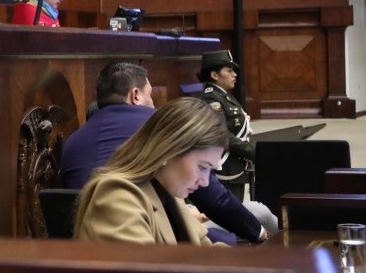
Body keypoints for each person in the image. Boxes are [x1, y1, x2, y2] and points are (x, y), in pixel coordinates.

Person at [61, 63, 272, 244]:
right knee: (260, 213)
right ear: (167, 148)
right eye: (202, 167)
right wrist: (259, 236)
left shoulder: (74, 138)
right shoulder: (159, 125)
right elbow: (215, 200)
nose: (154, 103)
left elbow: (200, 243)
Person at [74, 97, 229, 245]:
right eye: (202, 167)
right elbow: (143, 270)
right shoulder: (117, 196)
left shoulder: (168, 190)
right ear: (169, 150)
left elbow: (204, 251)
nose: (205, 181)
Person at [196, 50, 254, 200]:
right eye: (229, 71)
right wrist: (254, 152)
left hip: (235, 166)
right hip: (225, 169)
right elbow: (222, 135)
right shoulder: (211, 99)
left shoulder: (224, 96)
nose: (234, 74)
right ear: (214, 75)